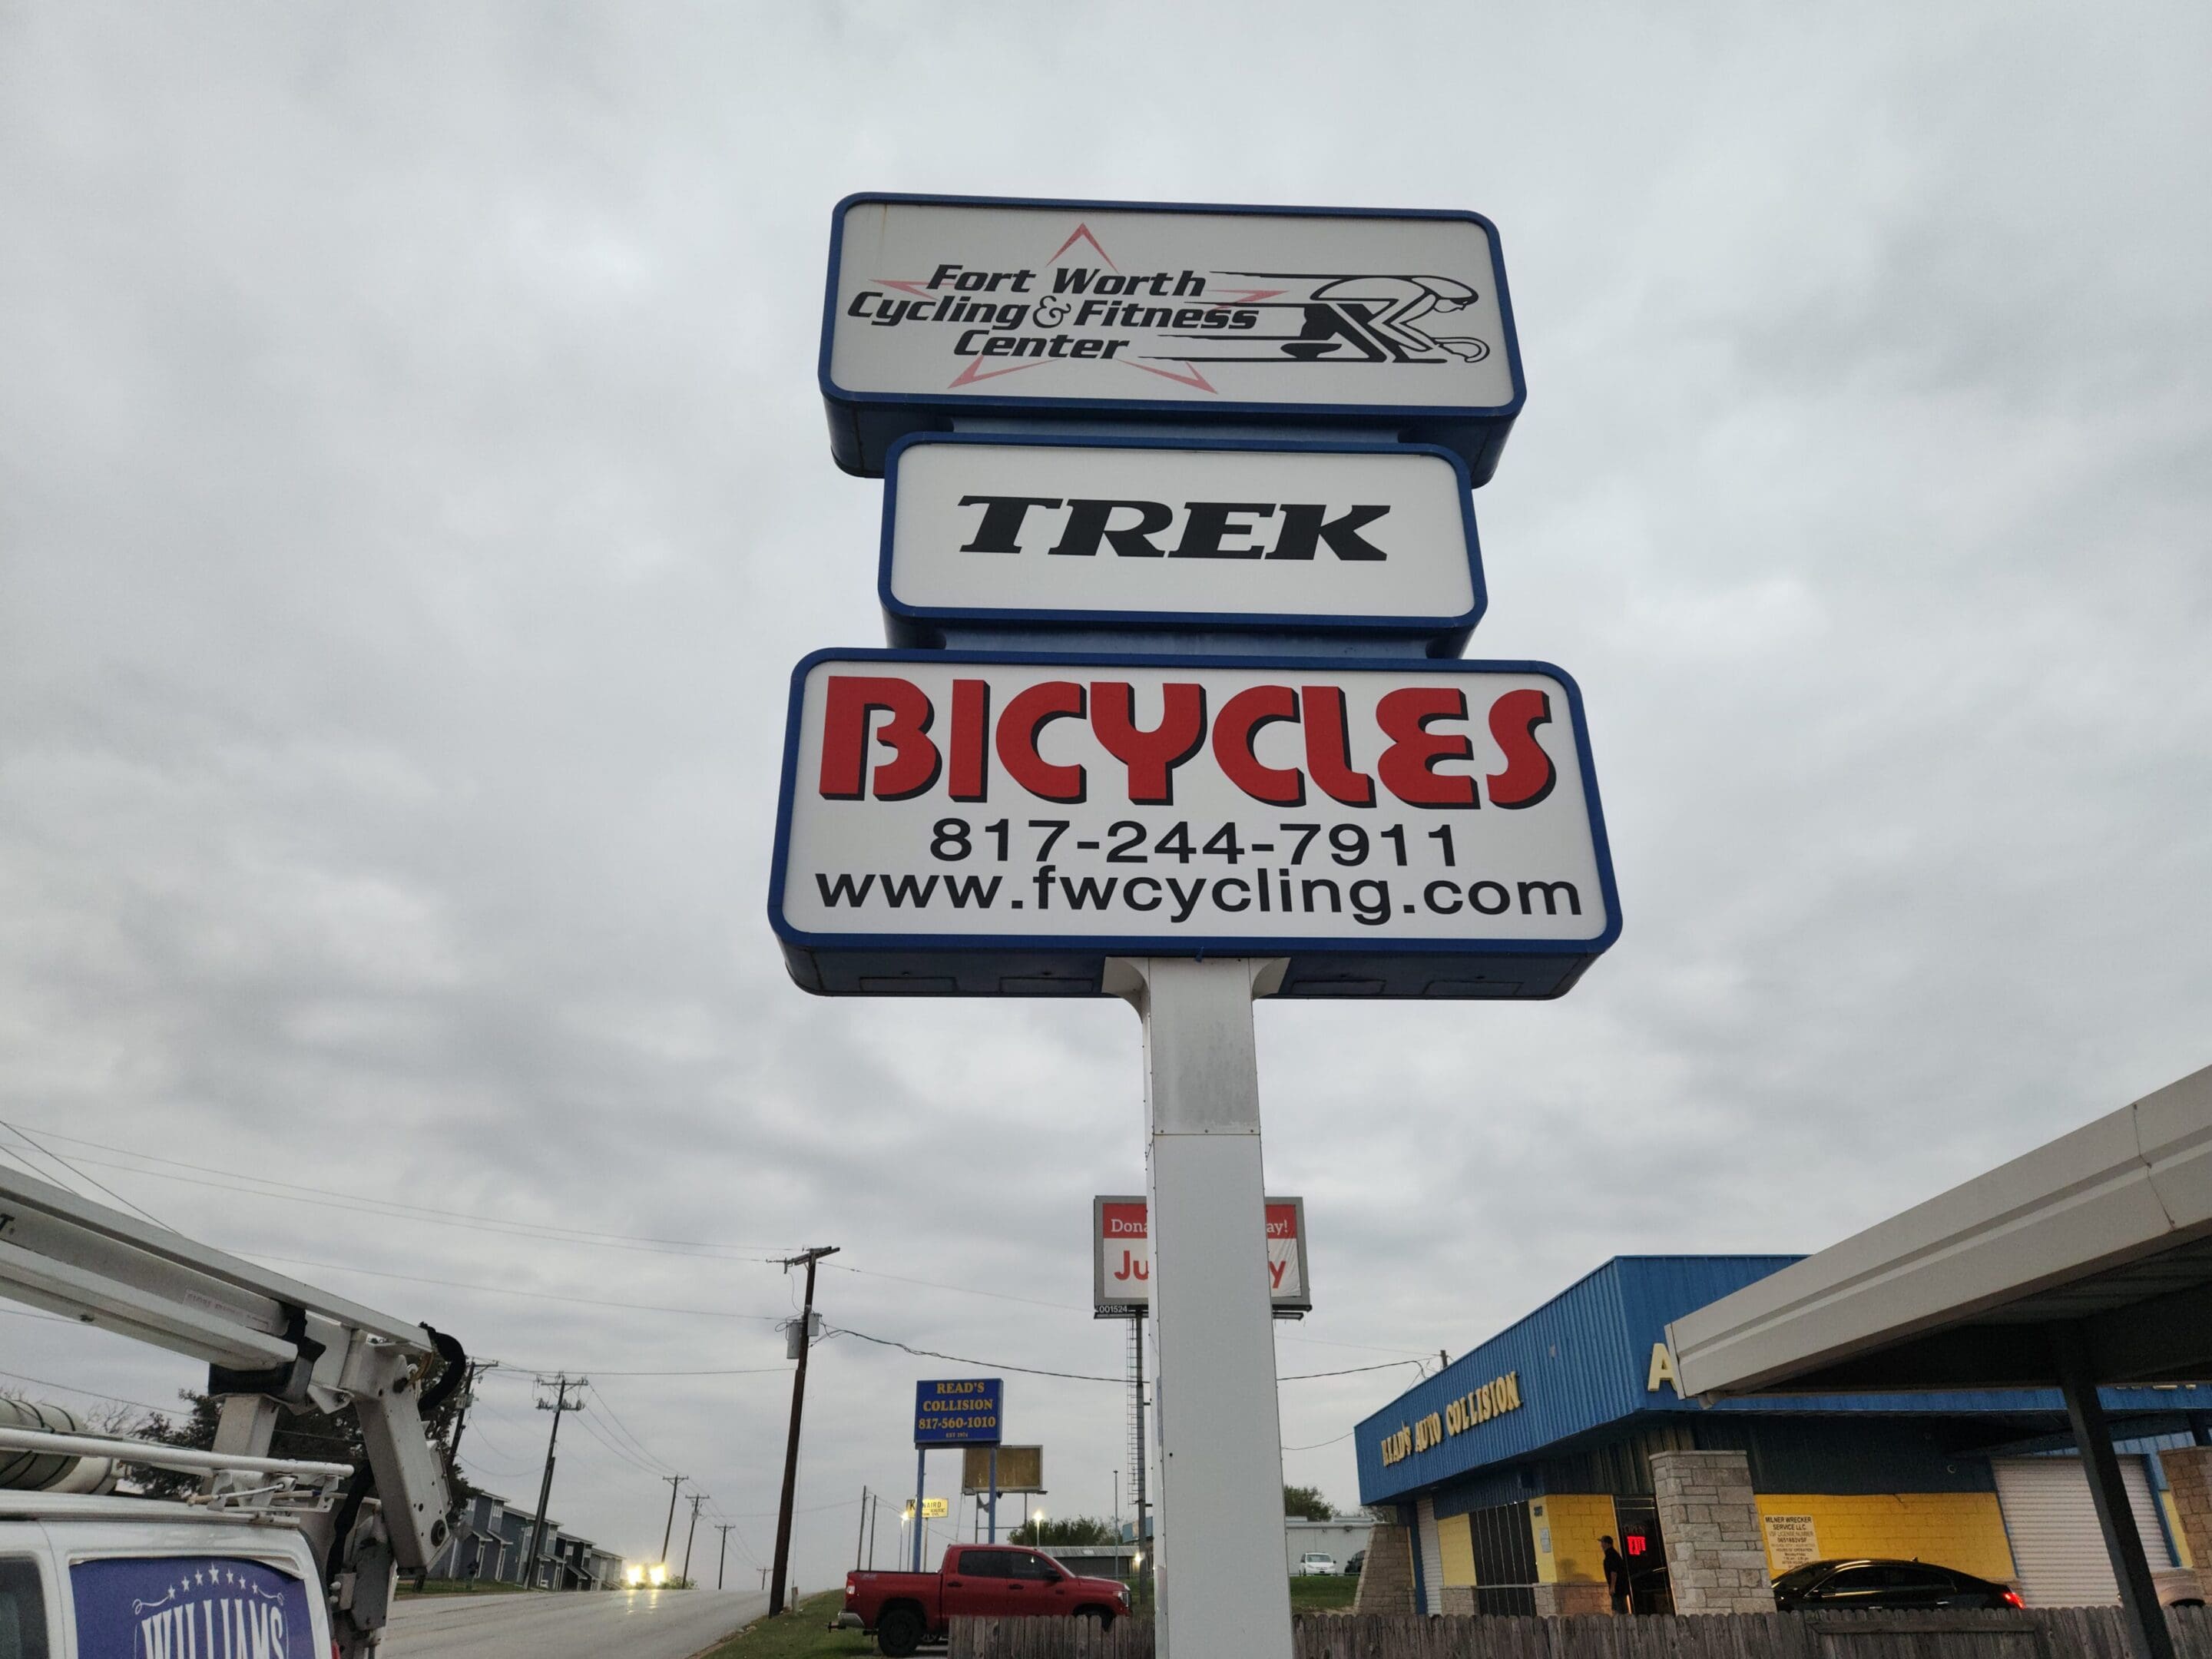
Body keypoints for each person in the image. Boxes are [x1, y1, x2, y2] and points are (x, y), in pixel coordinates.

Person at [1601, 1535, 1631, 1614]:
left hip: (1618, 1588)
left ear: (1607, 1544)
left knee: (1618, 1609)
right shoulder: (1614, 1554)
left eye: (1602, 1542)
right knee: (1621, 1608)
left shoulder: (1611, 1555)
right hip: (1621, 1587)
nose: (1601, 1545)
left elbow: (1614, 1572)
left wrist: (1612, 1587)